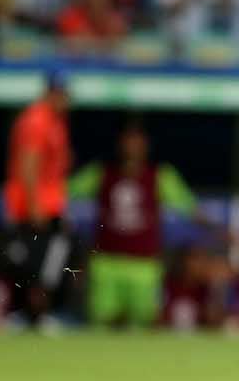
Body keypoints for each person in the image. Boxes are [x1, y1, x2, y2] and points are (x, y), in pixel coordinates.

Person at [69, 118, 221, 328]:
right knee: (101, 321)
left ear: (145, 146)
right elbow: (65, 192)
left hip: (144, 264)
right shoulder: (101, 173)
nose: (132, 147)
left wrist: (217, 228)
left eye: (137, 142)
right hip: (106, 262)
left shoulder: (160, 176)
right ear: (120, 144)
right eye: (128, 141)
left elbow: (188, 206)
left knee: (142, 324)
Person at [3, 71, 72, 325]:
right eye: (60, 93)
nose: (65, 99)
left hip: (49, 204)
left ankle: (39, 315)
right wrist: (34, 205)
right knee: (33, 265)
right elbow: (28, 165)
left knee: (48, 263)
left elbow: (54, 171)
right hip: (33, 206)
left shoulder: (56, 122)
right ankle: (28, 315)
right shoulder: (37, 120)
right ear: (49, 93)